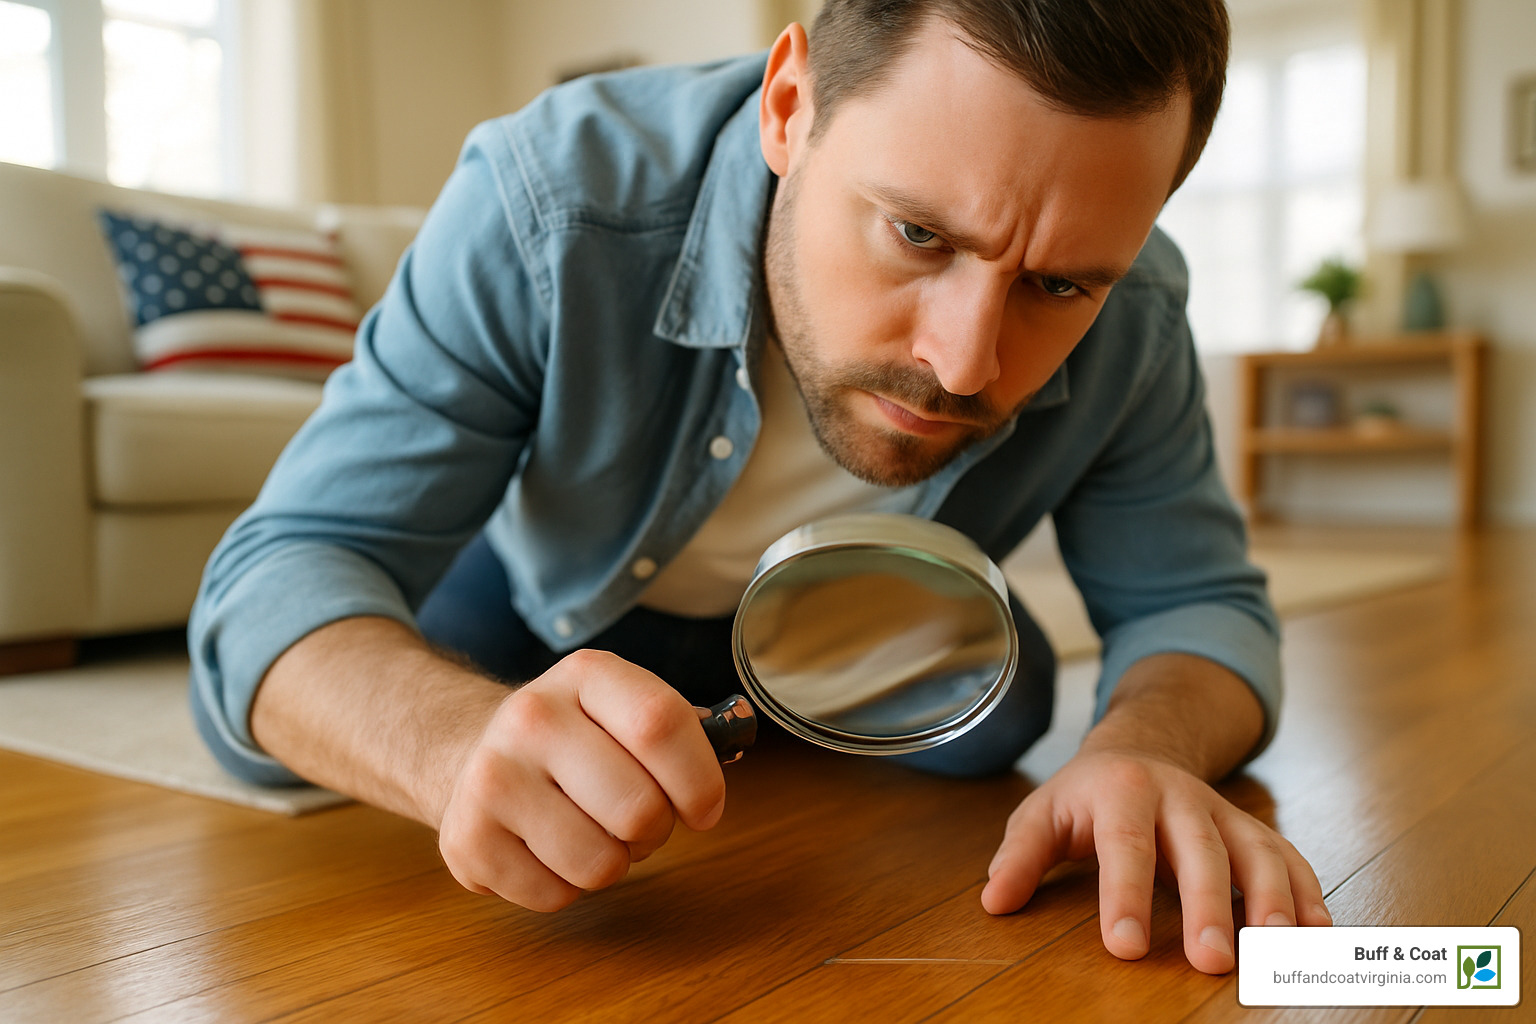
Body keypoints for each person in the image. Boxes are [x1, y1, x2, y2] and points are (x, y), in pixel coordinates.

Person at [188, 0, 1331, 976]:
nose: (965, 361)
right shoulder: (550, 194)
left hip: (876, 622)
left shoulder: (1138, 311)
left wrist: (1143, 749)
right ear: (790, 107)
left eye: (1060, 282)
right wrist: (449, 745)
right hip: (548, 600)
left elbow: (1198, 606)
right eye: (918, 232)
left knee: (1006, 718)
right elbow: (272, 585)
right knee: (395, 684)